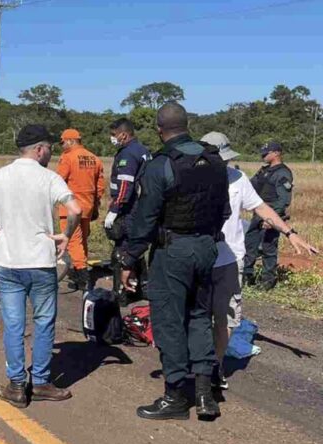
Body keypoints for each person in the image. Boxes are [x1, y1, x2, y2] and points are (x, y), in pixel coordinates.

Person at [0, 124, 82, 408]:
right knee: (43, 321)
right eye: (49, 147)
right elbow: (75, 210)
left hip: (7, 261)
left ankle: (15, 385)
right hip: (40, 262)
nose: (50, 152)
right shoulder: (49, 178)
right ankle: (40, 382)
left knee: (14, 324)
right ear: (39, 149)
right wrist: (65, 235)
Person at [120, 102, 230, 420]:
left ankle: (175, 398)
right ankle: (205, 394)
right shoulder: (214, 160)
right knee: (198, 318)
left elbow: (145, 219)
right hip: (207, 248)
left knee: (169, 322)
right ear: (187, 124)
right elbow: (224, 210)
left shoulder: (160, 164)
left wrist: (129, 258)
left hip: (174, 251)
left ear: (159, 129)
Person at [201, 132, 318, 390]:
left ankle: (215, 368)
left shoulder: (238, 178)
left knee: (226, 320)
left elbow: (261, 206)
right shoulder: (191, 178)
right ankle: (196, 366)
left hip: (230, 261)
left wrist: (290, 232)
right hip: (198, 261)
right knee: (197, 318)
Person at [106, 118, 151, 301]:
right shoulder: (142, 151)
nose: (112, 138)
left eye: (113, 134)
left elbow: (125, 184)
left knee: (122, 250)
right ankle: (141, 288)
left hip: (129, 208)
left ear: (123, 134)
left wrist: (115, 209)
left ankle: (121, 293)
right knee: (136, 248)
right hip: (141, 206)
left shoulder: (128, 154)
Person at [56, 128, 105, 290]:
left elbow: (58, 181)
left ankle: (83, 277)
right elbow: (100, 185)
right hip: (88, 206)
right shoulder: (94, 158)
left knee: (72, 242)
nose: (62, 145)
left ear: (70, 141)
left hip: (70, 207)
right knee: (82, 240)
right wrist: (95, 204)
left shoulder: (68, 158)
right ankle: (80, 271)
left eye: (62, 142)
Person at [242, 141, 294, 290]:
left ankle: (267, 282)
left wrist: (272, 219)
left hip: (272, 215)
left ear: (277, 153)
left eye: (267, 153)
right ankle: (247, 276)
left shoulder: (283, 173)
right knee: (250, 245)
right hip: (259, 212)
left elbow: (284, 199)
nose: (263, 155)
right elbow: (251, 185)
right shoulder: (264, 170)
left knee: (268, 249)